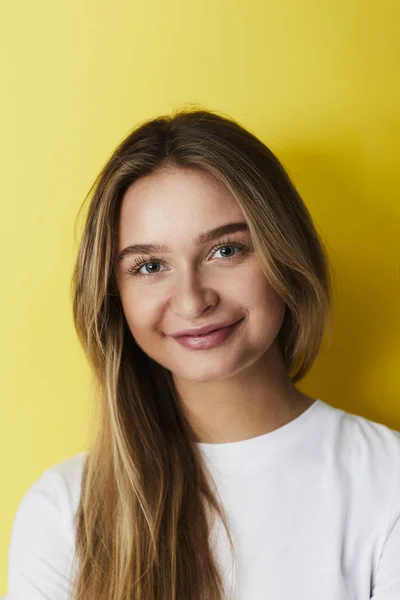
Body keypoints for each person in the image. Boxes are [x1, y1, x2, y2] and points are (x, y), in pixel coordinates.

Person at [5, 108, 400, 600]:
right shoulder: (63, 511)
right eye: (150, 265)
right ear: (114, 295)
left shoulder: (388, 483)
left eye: (226, 250)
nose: (193, 300)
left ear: (284, 253)